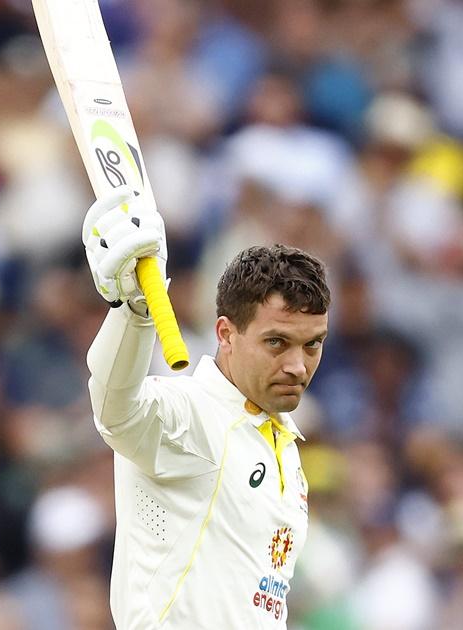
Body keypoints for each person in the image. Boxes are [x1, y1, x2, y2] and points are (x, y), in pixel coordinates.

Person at [82, 188, 330, 628]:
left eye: (312, 345)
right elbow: (116, 411)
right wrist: (132, 311)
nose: (297, 365)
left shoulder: (286, 446)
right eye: (277, 342)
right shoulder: (190, 414)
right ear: (226, 334)